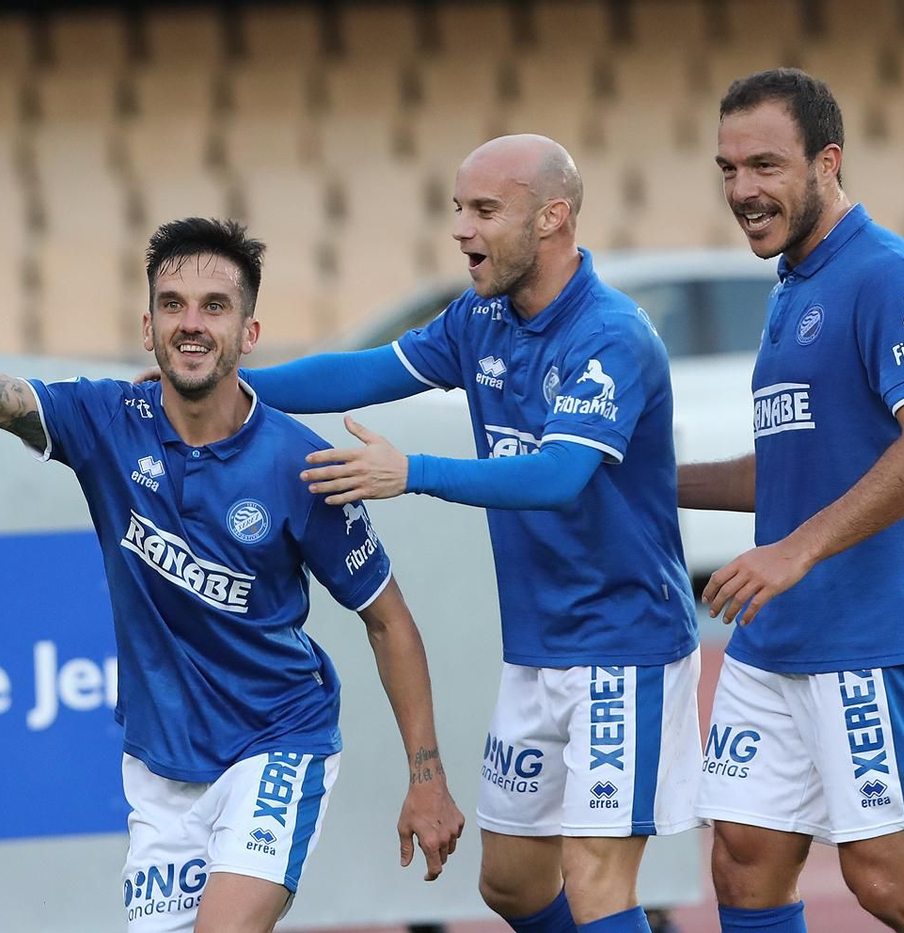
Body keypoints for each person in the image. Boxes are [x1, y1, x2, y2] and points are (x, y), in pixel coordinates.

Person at [145, 135, 704, 933]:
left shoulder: (610, 335)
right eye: (457, 210)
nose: (461, 229)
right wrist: (221, 381)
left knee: (595, 875)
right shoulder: (480, 318)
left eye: (483, 210)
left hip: (625, 644)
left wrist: (411, 471)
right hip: (540, 645)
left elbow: (555, 479)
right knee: (511, 883)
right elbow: (364, 371)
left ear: (552, 218)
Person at [0, 213, 463, 933]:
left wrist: (427, 777)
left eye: (215, 307)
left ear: (249, 335)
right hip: (162, 770)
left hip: (277, 742)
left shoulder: (299, 463)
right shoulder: (105, 420)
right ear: (148, 326)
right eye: (173, 305)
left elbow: (389, 621)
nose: (191, 324)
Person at [683, 69, 904, 933]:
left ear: (827, 161)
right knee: (745, 859)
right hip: (774, 635)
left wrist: (793, 551)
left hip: (865, 632)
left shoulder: (887, 275)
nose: (743, 189)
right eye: (727, 169)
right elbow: (785, 473)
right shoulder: (792, 283)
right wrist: (649, 484)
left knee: (889, 878)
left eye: (764, 164)